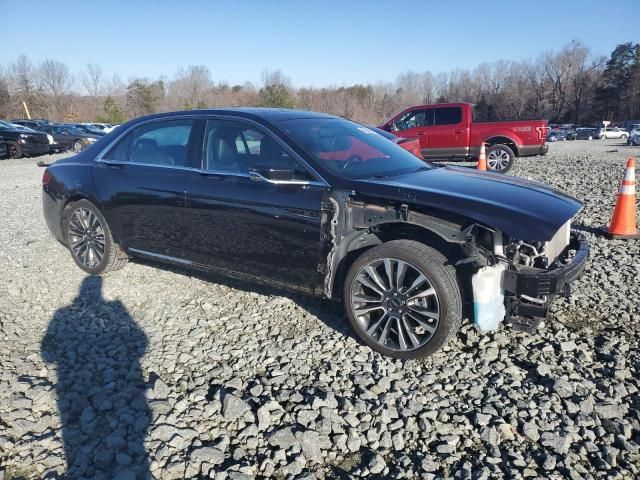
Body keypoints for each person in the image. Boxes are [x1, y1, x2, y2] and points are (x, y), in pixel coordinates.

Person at [41, 276, 149, 479]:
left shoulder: (63, 313)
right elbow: (142, 342)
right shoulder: (116, 308)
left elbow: (47, 355)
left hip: (70, 386)